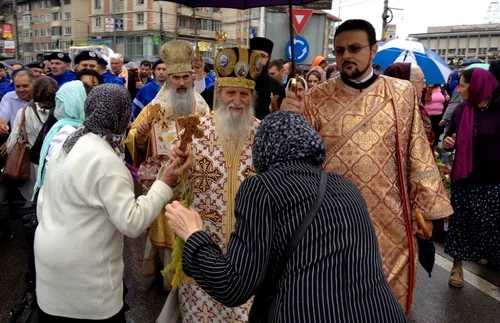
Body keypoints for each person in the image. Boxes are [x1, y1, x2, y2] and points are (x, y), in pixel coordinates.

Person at [164, 111, 409, 323]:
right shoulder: (347, 187)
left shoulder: (262, 189)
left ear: (263, 150)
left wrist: (193, 234)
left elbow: (233, 285)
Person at [281, 19, 453, 314]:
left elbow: (417, 151)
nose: (346, 55)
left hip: (391, 220)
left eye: (354, 48)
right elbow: (298, 162)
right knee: (334, 302)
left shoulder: (401, 93)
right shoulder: (315, 98)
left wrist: (422, 209)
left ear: (373, 50)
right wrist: (289, 120)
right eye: (339, 50)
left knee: (386, 306)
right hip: (332, 221)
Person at [34, 84, 192, 322]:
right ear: (121, 117)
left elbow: (42, 203)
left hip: (49, 272)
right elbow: (132, 222)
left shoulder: (66, 146)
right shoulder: (107, 162)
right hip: (87, 285)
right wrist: (165, 184)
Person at [156, 46, 262, 323]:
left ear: (251, 97)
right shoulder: (194, 129)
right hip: (202, 249)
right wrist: (176, 169)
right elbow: (172, 189)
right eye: (231, 93)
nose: (237, 101)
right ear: (219, 94)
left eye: (244, 94)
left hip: (248, 255)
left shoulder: (264, 135)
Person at [126, 40, 209, 291]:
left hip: (192, 184)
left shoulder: (203, 107)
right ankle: (166, 282)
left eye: (186, 77)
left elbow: (211, 140)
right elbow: (132, 140)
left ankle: (187, 281)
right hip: (164, 184)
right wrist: (139, 135)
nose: (182, 83)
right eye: (176, 78)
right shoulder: (153, 109)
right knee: (164, 229)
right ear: (168, 79)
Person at [443, 68, 500, 288]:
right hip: (465, 178)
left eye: (464, 85)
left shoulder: (497, 112)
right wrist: (449, 142)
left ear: (479, 87)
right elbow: (449, 137)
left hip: (492, 178)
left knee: (490, 223)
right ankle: (457, 266)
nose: (459, 89)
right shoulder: (460, 110)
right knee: (461, 222)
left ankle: (490, 260)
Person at [32, 80, 93, 197]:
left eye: (62, 103)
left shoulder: (79, 126)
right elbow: (55, 170)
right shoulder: (67, 131)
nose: (58, 107)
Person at [6, 76, 57, 201]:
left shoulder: (24, 112)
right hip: (56, 167)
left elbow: (12, 143)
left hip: (33, 167)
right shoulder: (63, 112)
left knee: (34, 200)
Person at [384, 62, 434, 148]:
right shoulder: (387, 112)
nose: (424, 86)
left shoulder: (418, 106)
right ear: (405, 83)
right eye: (421, 81)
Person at [0, 69, 34, 157]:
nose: (21, 89)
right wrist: (2, 127)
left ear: (33, 84)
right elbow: (2, 118)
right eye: (17, 86)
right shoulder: (9, 97)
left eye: (25, 86)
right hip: (17, 146)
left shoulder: (41, 98)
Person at [249, 37, 286, 120]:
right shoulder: (240, 82)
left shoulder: (277, 87)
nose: (257, 59)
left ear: (269, 59)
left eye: (262, 56)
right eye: (254, 54)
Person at [422, 84, 450, 149]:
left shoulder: (441, 89)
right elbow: (425, 99)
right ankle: (428, 148)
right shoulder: (425, 88)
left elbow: (445, 99)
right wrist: (429, 89)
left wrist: (446, 97)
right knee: (428, 133)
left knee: (437, 133)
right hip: (427, 116)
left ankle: (434, 149)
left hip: (439, 115)